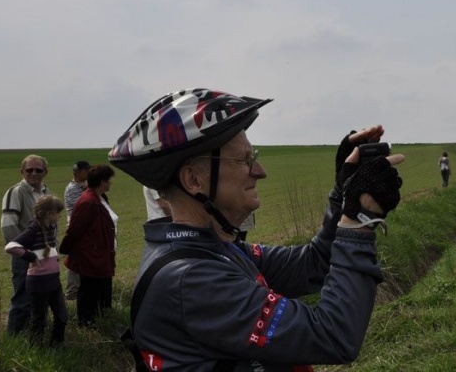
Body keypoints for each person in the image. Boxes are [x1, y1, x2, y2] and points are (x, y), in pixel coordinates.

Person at [108, 88, 404, 371]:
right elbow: (333, 335)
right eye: (244, 159)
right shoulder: (190, 279)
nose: (260, 171)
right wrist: (359, 220)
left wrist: (342, 192)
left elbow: (313, 264)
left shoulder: (212, 250)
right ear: (193, 181)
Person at [5, 195, 68, 347]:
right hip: (38, 282)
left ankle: (56, 346)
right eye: (58, 213)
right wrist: (31, 256)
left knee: (62, 317)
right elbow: (11, 247)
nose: (60, 216)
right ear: (49, 214)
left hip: (54, 280)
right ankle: (37, 349)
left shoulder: (51, 227)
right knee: (39, 320)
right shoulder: (33, 230)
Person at [59, 165, 117, 326]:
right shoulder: (88, 202)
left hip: (100, 255)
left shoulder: (100, 198)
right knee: (89, 292)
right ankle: (86, 323)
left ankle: (102, 321)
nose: (110, 184)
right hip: (91, 257)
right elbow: (75, 229)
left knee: (102, 291)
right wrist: (65, 249)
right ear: (101, 182)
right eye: (108, 180)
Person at [2, 154, 51, 336]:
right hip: (26, 258)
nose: (33, 173)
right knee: (22, 300)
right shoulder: (16, 192)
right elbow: (8, 225)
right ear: (21, 171)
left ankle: (34, 337)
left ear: (45, 172)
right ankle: (14, 342)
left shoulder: (46, 192)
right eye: (29, 170)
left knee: (39, 300)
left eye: (38, 170)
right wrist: (23, 254)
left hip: (44, 257)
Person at [63, 160, 90, 301]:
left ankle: (83, 288)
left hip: (85, 227)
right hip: (75, 227)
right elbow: (82, 206)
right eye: (85, 170)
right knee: (75, 260)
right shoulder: (72, 188)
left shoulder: (85, 186)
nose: (88, 172)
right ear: (77, 172)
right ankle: (72, 293)